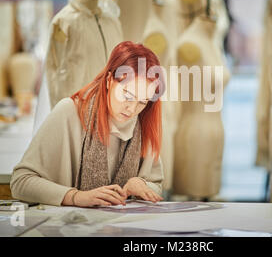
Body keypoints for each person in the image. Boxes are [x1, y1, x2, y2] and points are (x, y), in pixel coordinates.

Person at [10, 41, 165, 207]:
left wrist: (141, 185)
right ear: (108, 81)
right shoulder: (69, 111)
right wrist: (75, 197)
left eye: (142, 101)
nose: (132, 109)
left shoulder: (143, 122)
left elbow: (156, 186)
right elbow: (20, 182)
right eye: (127, 96)